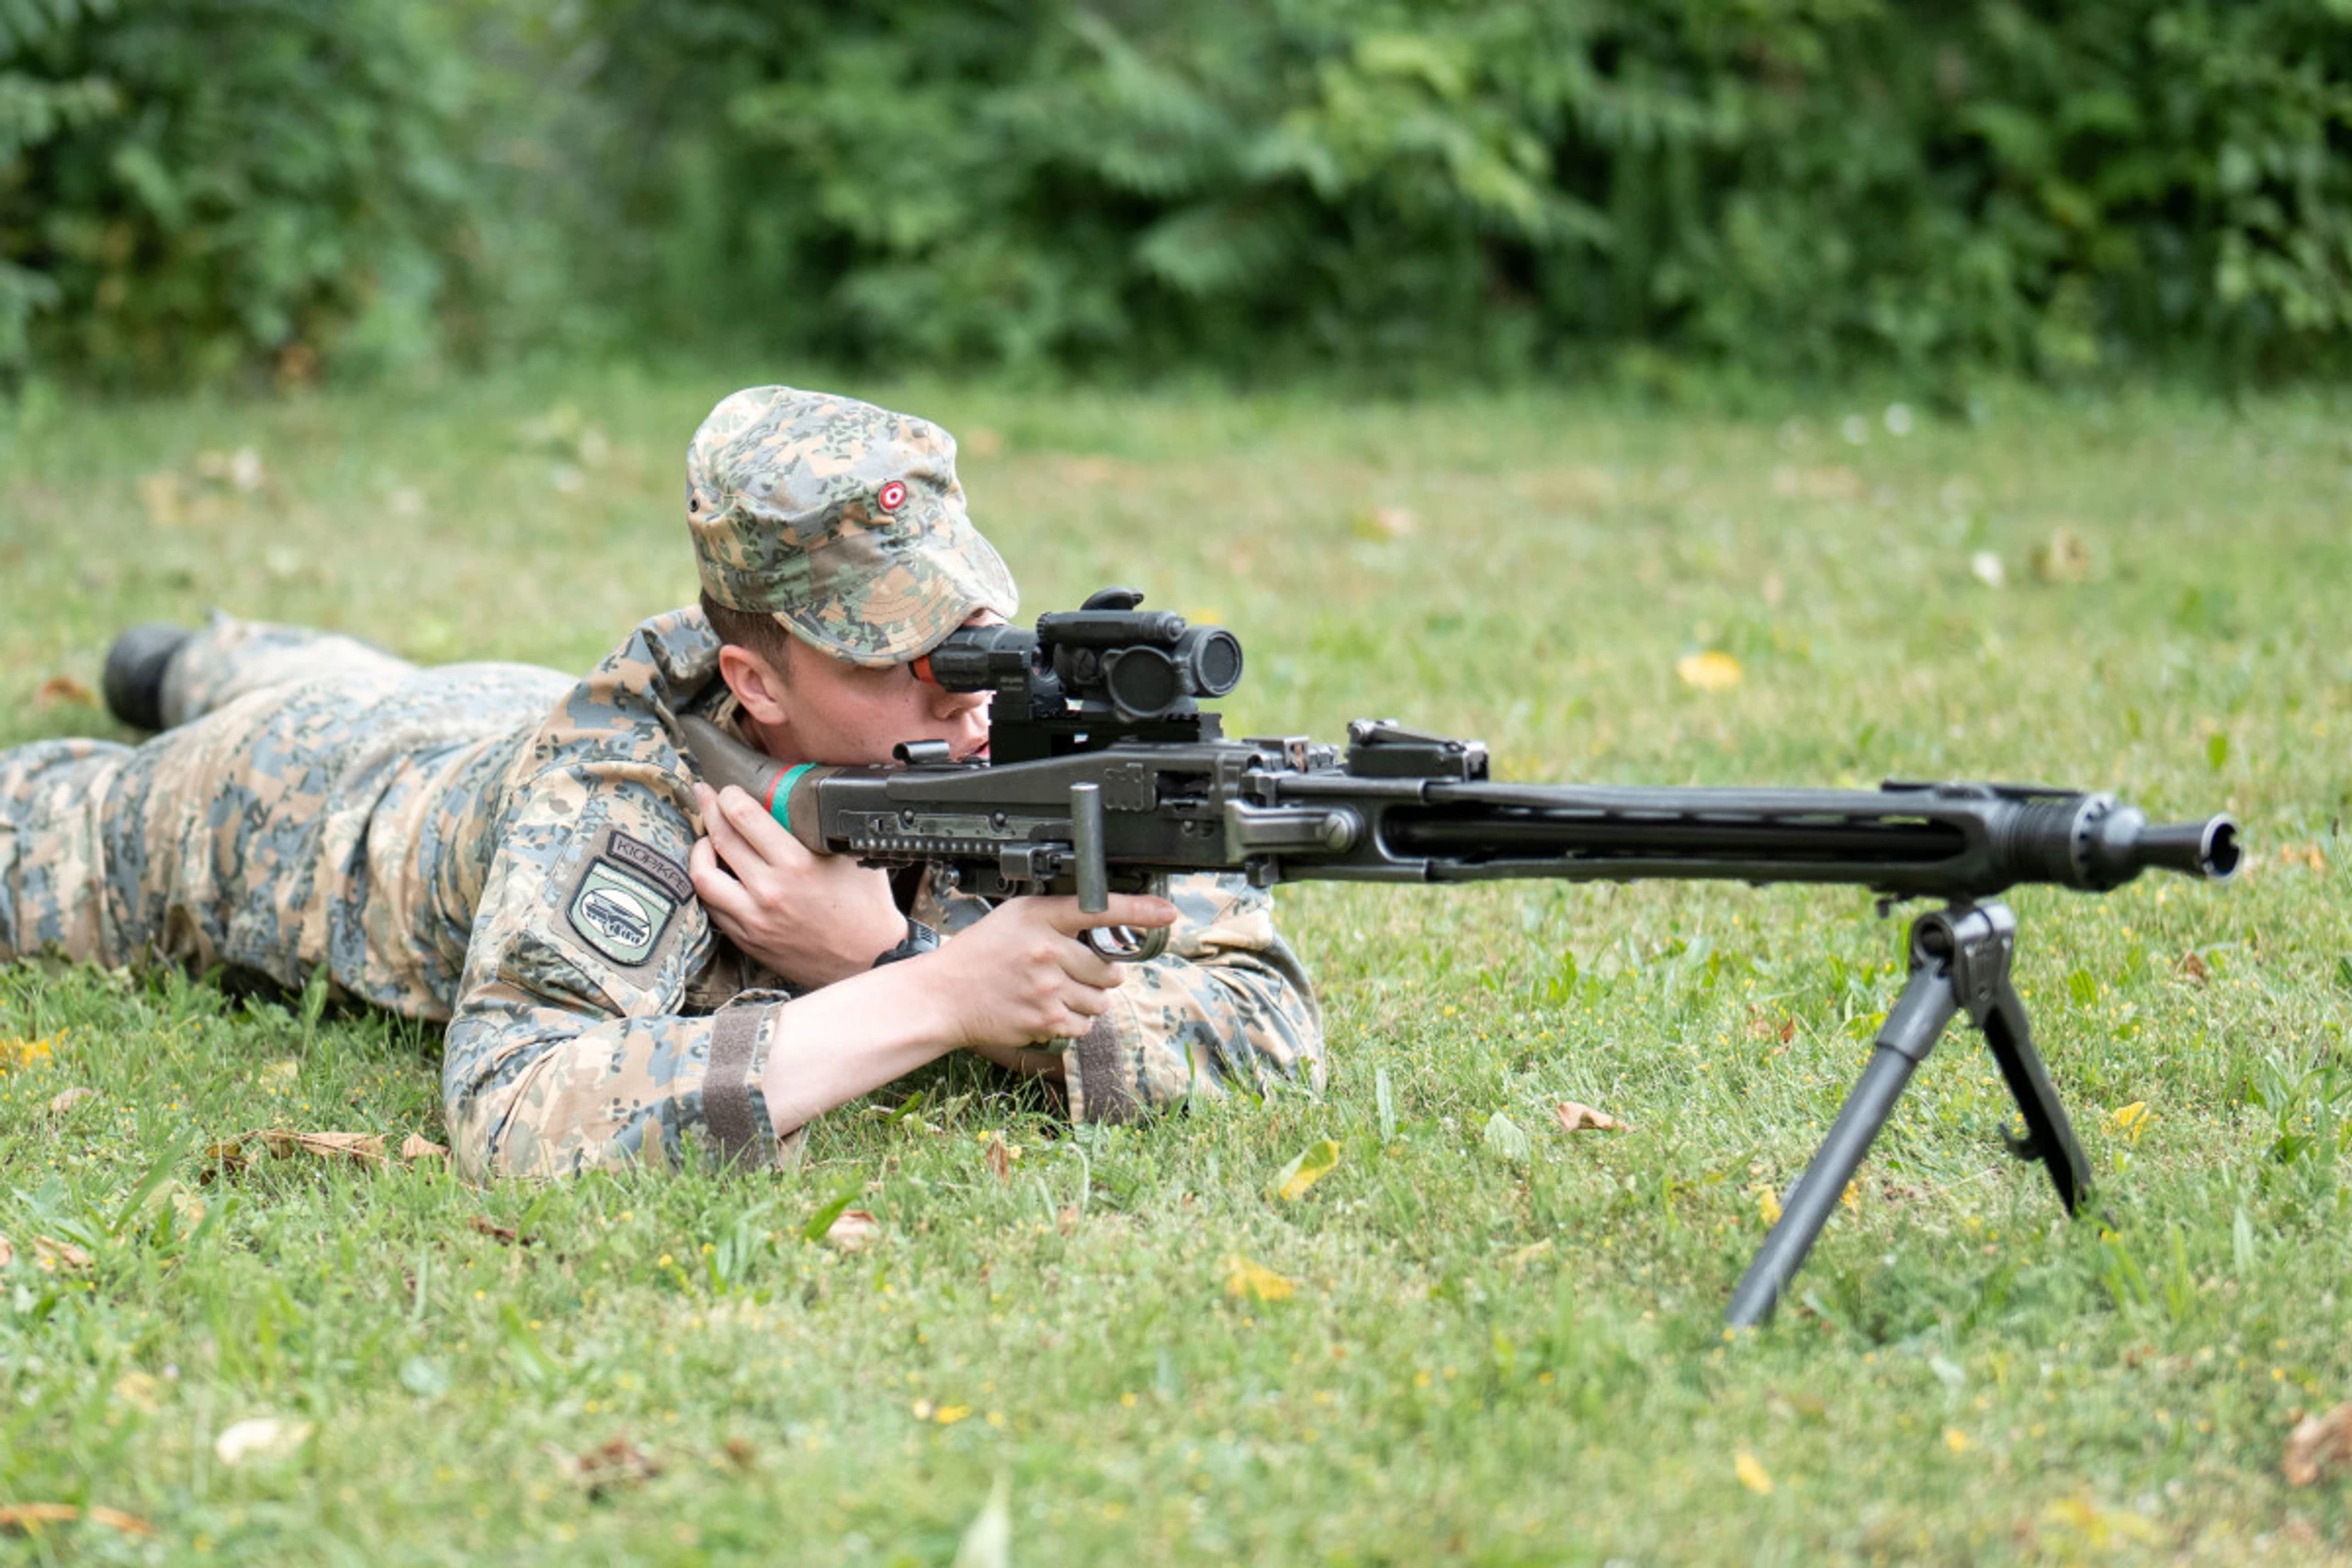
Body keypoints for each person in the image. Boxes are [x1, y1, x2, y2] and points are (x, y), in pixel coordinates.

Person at [0, 387, 1324, 1179]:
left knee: (388, 676)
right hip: (311, 793)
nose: (959, 693)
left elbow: (1269, 1024)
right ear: (753, 684)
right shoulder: (624, 782)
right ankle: (223, 681)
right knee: (113, 803)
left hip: (468, 695)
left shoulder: (1004, 724)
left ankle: (208, 654)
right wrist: (935, 995)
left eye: (968, 635)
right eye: (893, 657)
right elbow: (519, 1105)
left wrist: (886, 957)